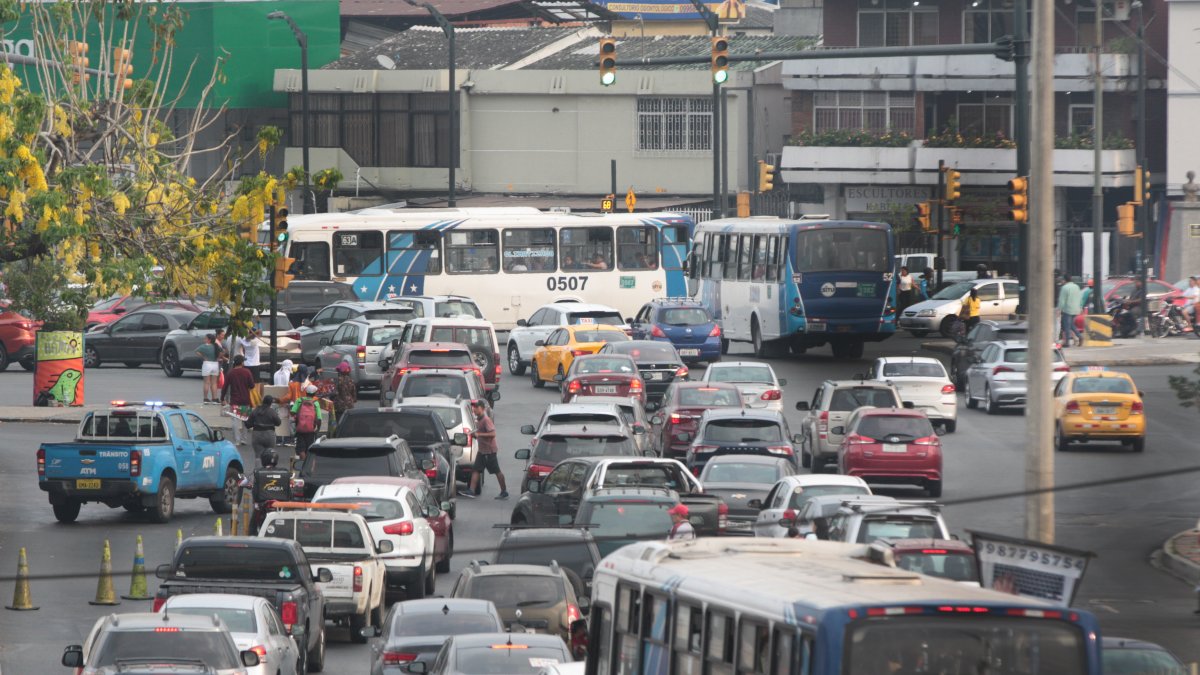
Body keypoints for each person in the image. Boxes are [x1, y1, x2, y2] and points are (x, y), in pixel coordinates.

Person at [463, 399, 507, 500]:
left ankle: (504, 491)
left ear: (481, 409)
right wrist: (474, 435)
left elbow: (493, 434)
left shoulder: (486, 420)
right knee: (476, 470)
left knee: (497, 471)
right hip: (482, 451)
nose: (474, 410)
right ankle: (471, 491)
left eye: (476, 408)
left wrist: (479, 434)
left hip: (489, 451)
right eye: (474, 408)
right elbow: (480, 433)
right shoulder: (479, 420)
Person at [221, 355, 256, 446]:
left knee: (235, 421)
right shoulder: (247, 372)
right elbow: (252, 386)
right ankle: (244, 439)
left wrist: (222, 398)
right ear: (241, 363)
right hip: (245, 400)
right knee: (244, 421)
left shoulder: (231, 373)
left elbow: (225, 387)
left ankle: (237, 440)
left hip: (235, 401)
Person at [290, 384, 324, 461]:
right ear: (314, 394)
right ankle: (307, 463)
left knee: (301, 448)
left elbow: (292, 412)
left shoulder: (299, 400)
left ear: (306, 392)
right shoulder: (315, 403)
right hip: (311, 429)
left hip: (300, 428)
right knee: (309, 447)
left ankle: (302, 463)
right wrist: (317, 429)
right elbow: (319, 418)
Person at [245, 395, 282, 465]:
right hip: (269, 435)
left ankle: (258, 472)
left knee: (258, 455)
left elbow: (248, 425)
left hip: (257, 434)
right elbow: (278, 423)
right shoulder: (271, 411)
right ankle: (268, 471)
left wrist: (246, 421)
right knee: (270, 454)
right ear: (270, 403)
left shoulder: (255, 410)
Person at [1058, 274, 1084, 347]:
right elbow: (1080, 298)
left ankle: (1067, 343)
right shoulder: (1076, 287)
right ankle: (1080, 337)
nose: (1061, 281)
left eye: (1062, 280)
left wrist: (1059, 309)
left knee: (1066, 326)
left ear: (1064, 280)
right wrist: (1080, 307)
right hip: (1076, 309)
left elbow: (1062, 300)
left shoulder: (1064, 288)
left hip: (1068, 309)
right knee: (1071, 325)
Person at [195, 334, 221, 404]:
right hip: (215, 364)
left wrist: (203, 357)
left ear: (209, 340)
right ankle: (214, 398)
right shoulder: (216, 346)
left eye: (205, 338)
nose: (204, 340)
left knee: (206, 382)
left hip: (207, 364)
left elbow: (196, 351)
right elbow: (223, 351)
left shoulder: (204, 346)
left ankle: (206, 398)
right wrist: (218, 357)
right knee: (214, 383)